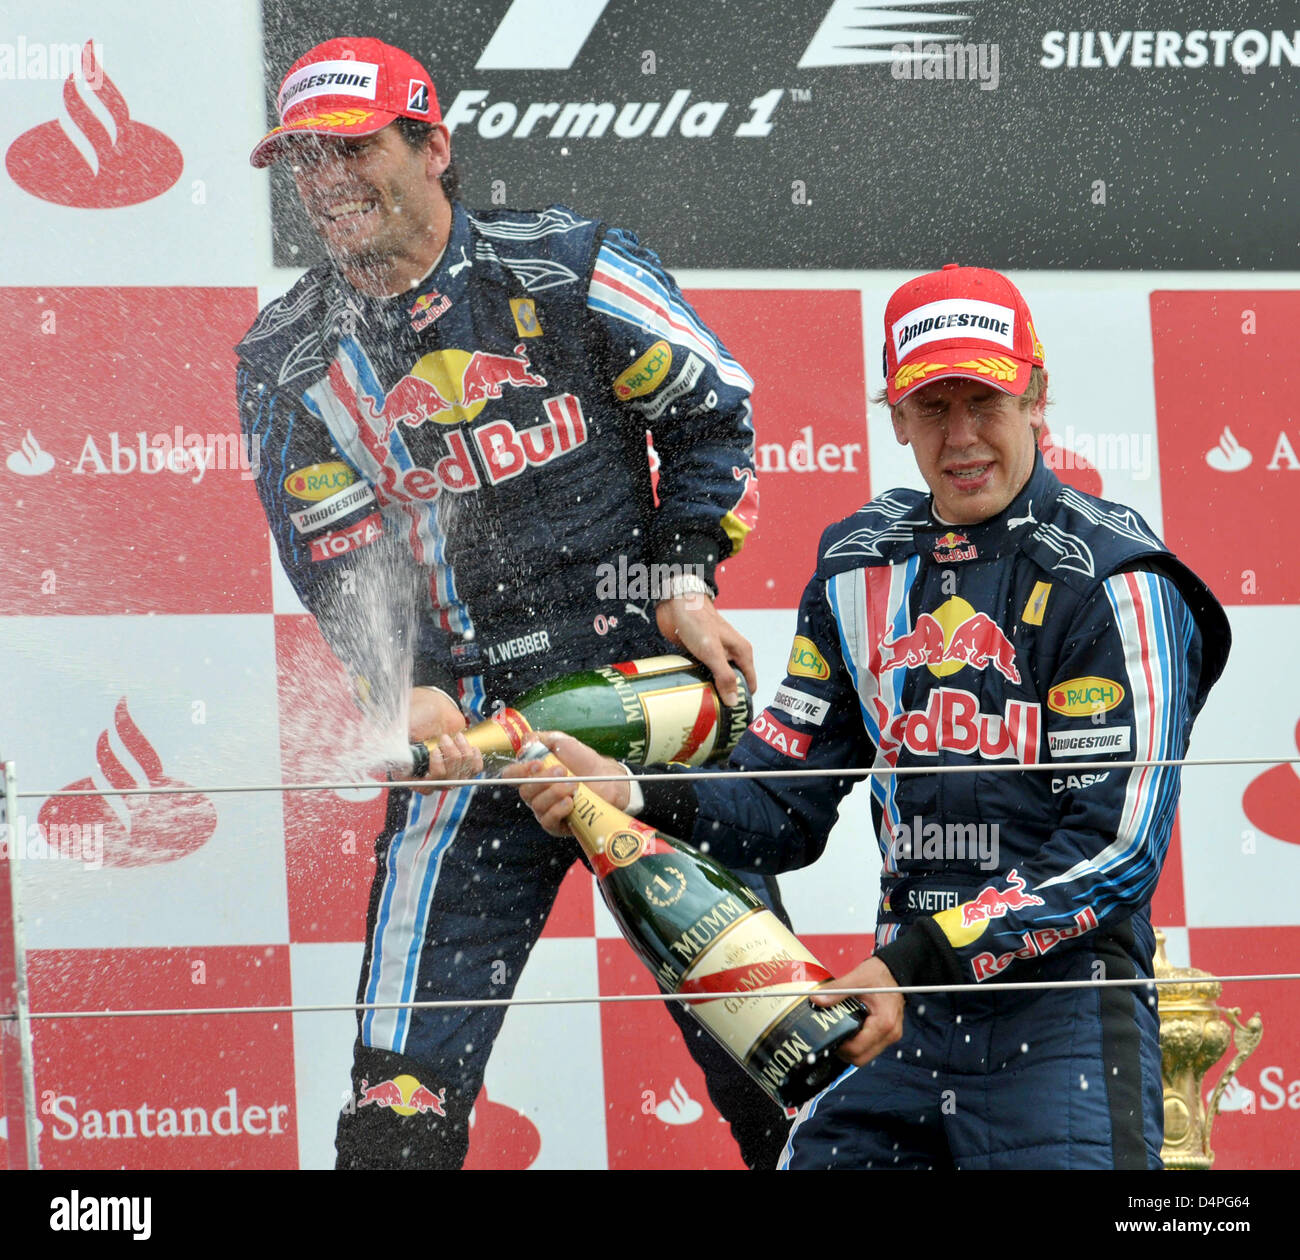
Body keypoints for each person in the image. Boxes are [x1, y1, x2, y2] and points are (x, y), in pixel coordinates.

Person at [512, 264, 1232, 1169]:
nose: (961, 436)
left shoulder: (1117, 578)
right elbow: (782, 802)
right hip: (904, 1021)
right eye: (933, 406)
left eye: (986, 400)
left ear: (1037, 395)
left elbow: (1113, 852)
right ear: (894, 415)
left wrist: (910, 965)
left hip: (1061, 1025)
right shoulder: (859, 565)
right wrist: (628, 789)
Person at [237, 36, 791, 1169]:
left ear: (434, 144)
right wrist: (408, 689)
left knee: (770, 1056)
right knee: (396, 1101)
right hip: (470, 730)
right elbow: (335, 554)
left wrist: (683, 580)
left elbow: (710, 415)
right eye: (303, 160)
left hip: (640, 691)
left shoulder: (571, 266)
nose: (327, 180)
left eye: (353, 147)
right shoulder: (286, 357)